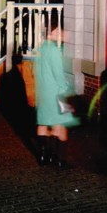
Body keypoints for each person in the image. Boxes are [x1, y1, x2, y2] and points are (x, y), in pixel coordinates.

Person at [34, 18, 79, 169]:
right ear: (51, 33)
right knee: (60, 126)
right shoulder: (54, 51)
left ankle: (42, 156)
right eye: (58, 31)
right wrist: (66, 87)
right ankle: (59, 159)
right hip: (56, 93)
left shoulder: (41, 49)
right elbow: (58, 74)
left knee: (42, 123)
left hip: (43, 92)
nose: (60, 34)